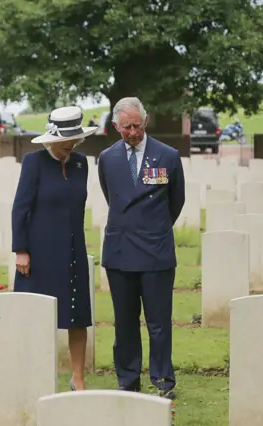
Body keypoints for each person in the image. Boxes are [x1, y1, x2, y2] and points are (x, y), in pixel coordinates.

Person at [97, 97, 185, 399]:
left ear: (144, 121)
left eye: (137, 125)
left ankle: (162, 381)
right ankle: (128, 379)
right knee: (125, 322)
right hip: (121, 252)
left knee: (159, 323)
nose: (133, 132)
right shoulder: (107, 158)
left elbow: (176, 201)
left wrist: (155, 228)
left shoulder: (168, 156)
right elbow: (113, 197)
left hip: (156, 251)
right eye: (126, 128)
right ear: (115, 127)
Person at [12, 106, 97, 392]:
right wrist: (21, 249)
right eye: (64, 142)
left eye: (73, 142)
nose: (69, 147)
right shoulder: (33, 162)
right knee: (36, 316)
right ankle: (32, 374)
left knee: (78, 316)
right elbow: (20, 208)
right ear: (51, 139)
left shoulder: (81, 164)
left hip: (72, 250)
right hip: (39, 252)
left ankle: (78, 380)